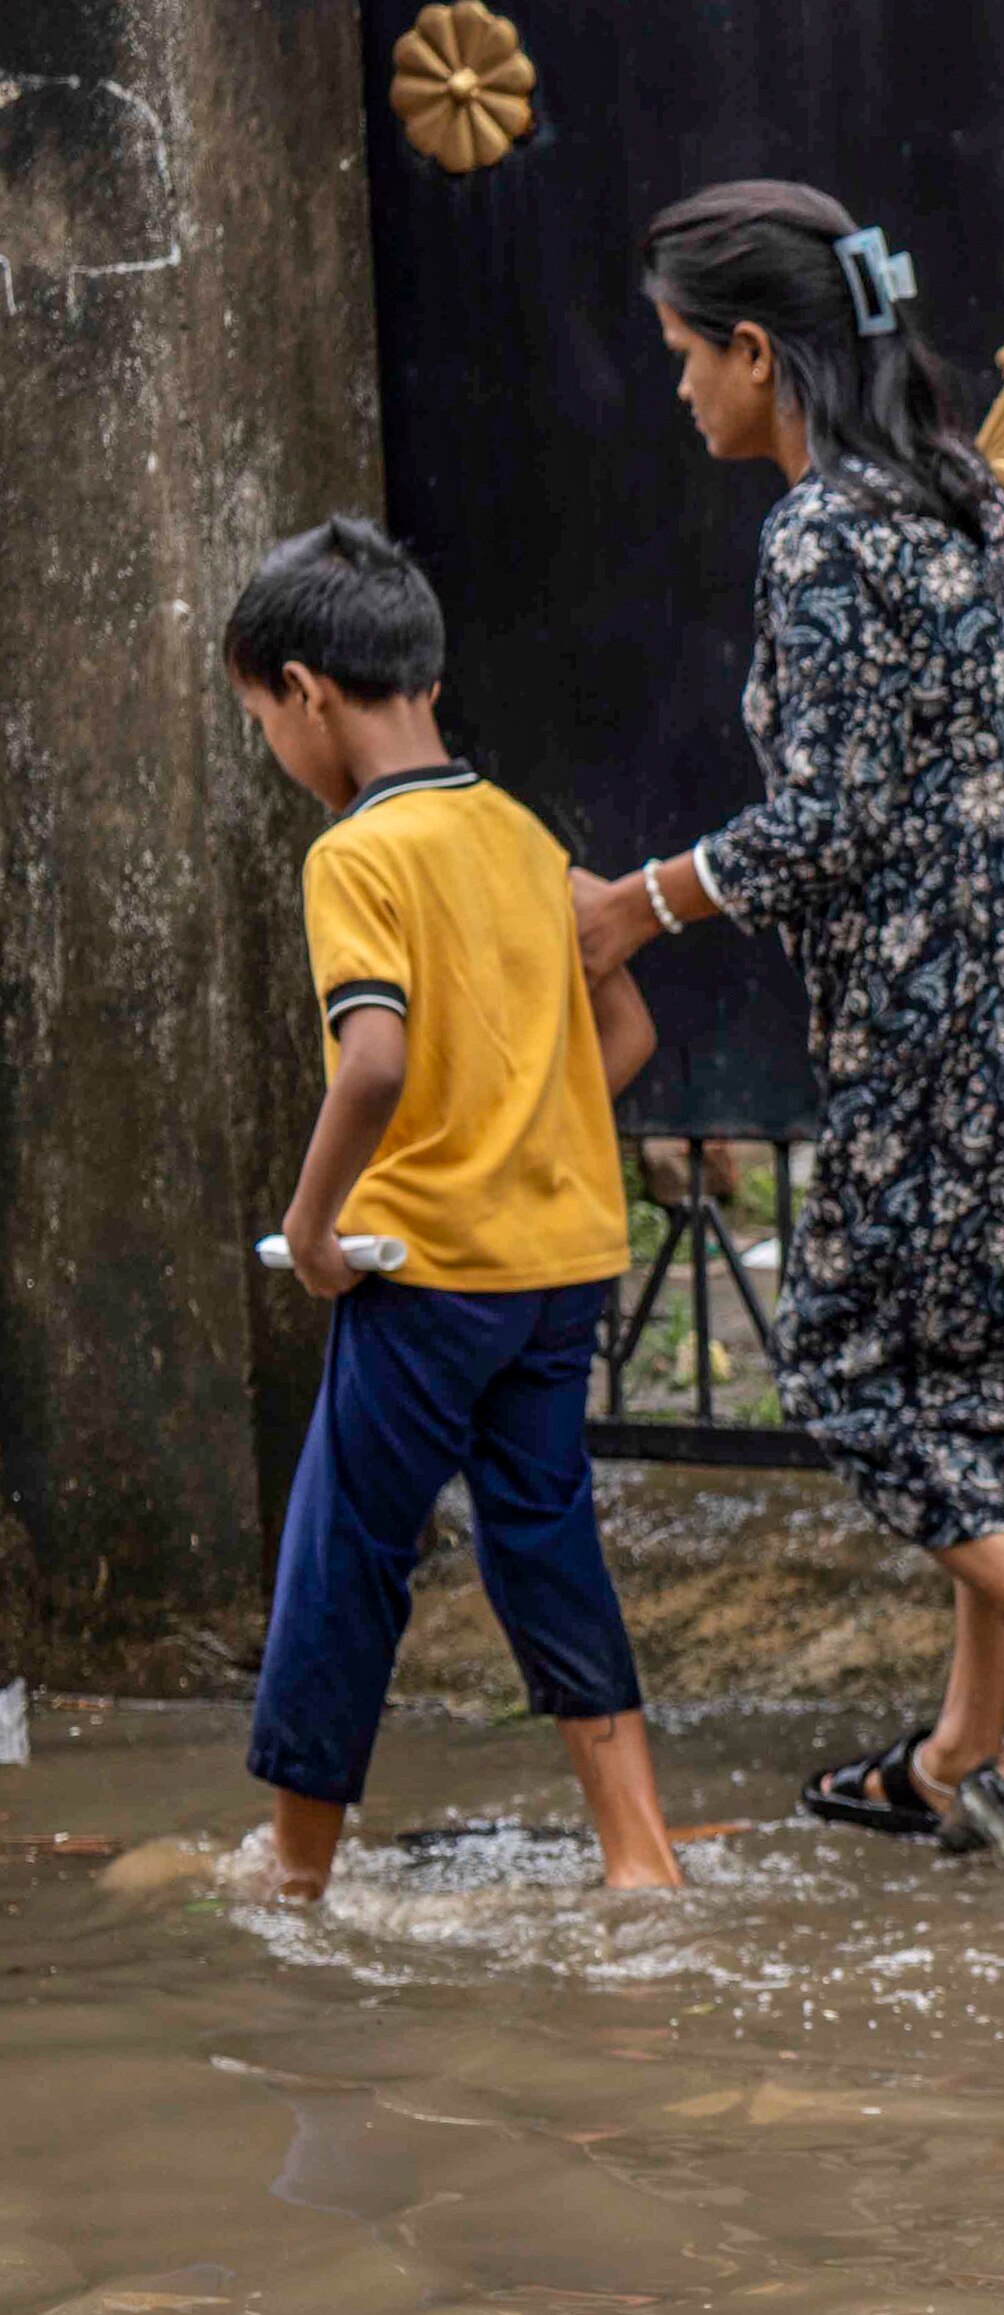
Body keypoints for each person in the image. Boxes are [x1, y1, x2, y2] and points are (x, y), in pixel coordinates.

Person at [566, 183, 1004, 1855]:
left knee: (847, 1366)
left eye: (688, 357)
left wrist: (641, 899)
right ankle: (961, 1753)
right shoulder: (968, 490)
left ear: (760, 352)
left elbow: (832, 820)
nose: (681, 389)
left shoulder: (825, 533)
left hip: (945, 1029)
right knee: (986, 1384)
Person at [226, 519, 682, 1903]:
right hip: (560, 1265)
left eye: (263, 722)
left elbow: (372, 1061)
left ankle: (296, 1871)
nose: (276, 751)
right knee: (545, 1540)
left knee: (343, 1551)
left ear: (304, 692)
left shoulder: (355, 858)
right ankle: (639, 1855)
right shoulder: (522, 832)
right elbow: (631, 1036)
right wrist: (521, 1134)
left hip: (425, 1274)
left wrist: (314, 1235)